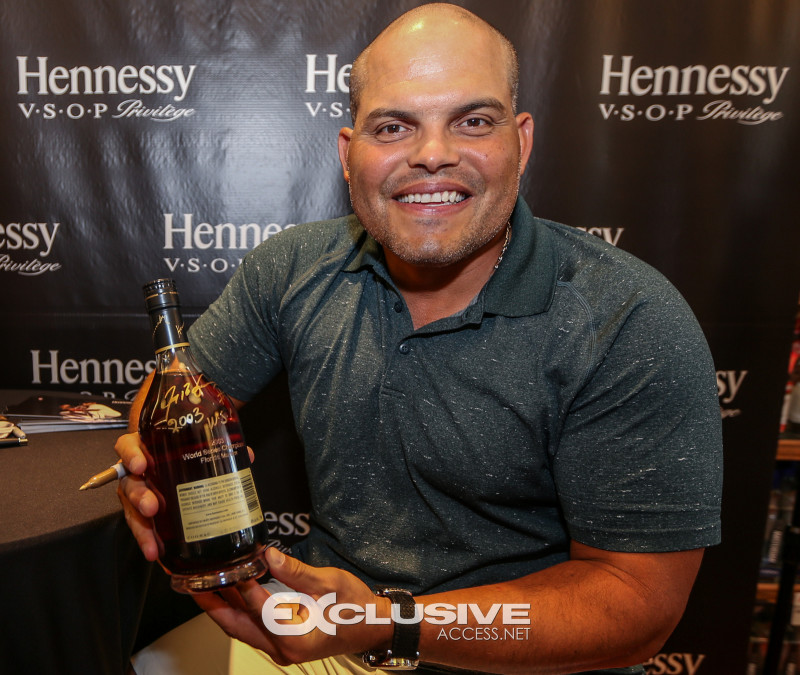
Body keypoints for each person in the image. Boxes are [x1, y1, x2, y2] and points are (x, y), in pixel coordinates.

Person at [117, 4, 723, 674]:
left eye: (473, 121)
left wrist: (390, 622)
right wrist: (155, 469)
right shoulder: (291, 268)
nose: (432, 154)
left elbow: (636, 606)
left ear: (522, 142)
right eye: (393, 126)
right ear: (348, 155)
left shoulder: (627, 318)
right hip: (327, 627)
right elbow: (172, 404)